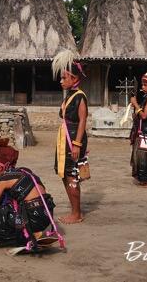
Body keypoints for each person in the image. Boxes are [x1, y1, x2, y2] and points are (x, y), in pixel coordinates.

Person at [51, 50, 89, 224]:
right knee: (65, 174)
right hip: (64, 139)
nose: (61, 81)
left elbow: (82, 121)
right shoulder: (70, 96)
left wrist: (76, 144)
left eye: (64, 77)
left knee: (72, 174)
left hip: (73, 139)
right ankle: (74, 210)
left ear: (74, 79)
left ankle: (77, 213)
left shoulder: (80, 96)